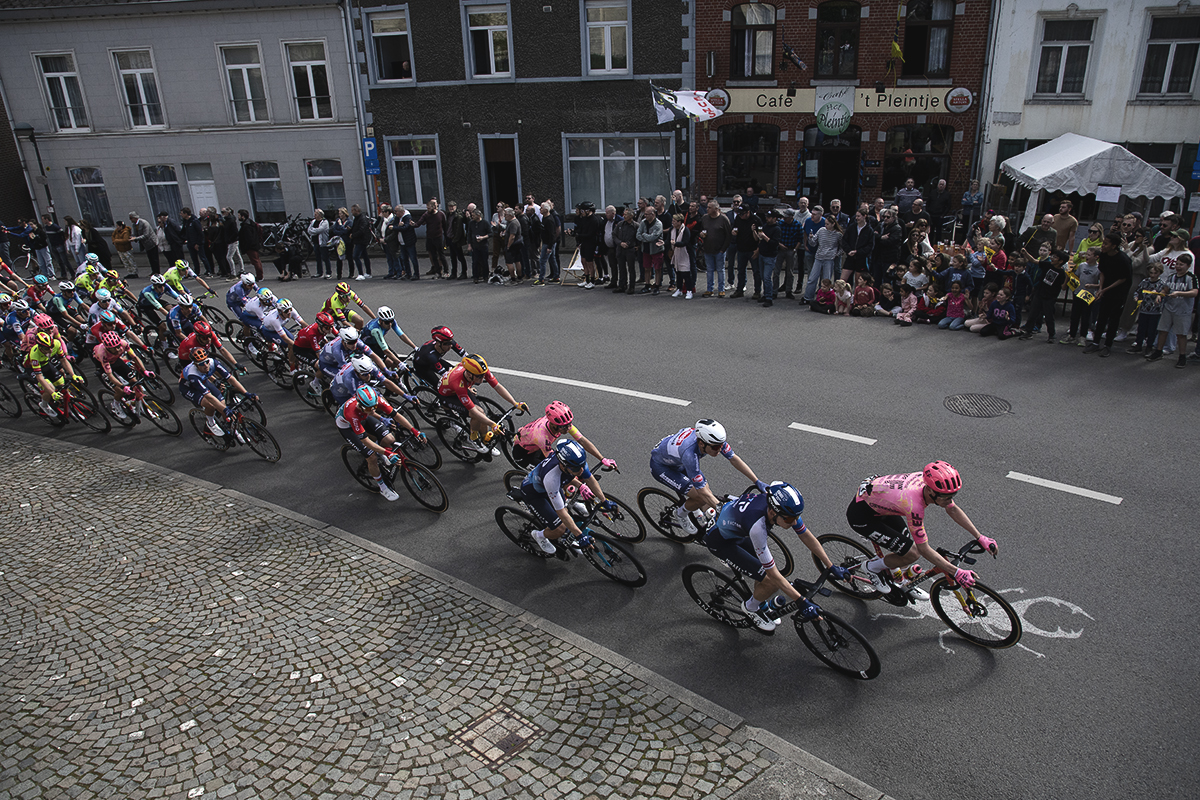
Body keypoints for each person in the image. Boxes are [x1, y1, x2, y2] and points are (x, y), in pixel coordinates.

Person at [703, 481, 847, 633]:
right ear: (772, 512)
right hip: (720, 542)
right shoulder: (758, 528)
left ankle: (759, 601)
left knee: (766, 574)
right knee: (771, 581)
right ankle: (751, 608)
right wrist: (802, 602)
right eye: (789, 519)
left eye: (796, 517)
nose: (793, 522)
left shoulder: (780, 509)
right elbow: (773, 576)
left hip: (737, 530)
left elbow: (806, 536)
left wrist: (831, 566)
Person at [846, 462, 996, 597]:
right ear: (931, 491)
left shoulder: (927, 483)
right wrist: (956, 572)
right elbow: (923, 549)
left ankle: (901, 582)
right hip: (862, 516)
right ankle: (871, 567)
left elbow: (953, 509)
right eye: (945, 497)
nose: (949, 500)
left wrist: (979, 536)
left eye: (952, 496)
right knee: (912, 553)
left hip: (880, 503)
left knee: (904, 546)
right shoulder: (914, 506)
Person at [650, 419, 766, 533]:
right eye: (716, 447)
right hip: (662, 467)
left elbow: (734, 459)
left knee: (707, 492)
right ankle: (680, 514)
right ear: (701, 443)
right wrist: (722, 509)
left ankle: (695, 510)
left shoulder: (712, 440)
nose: (720, 449)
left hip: (678, 460)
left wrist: (757, 481)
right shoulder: (690, 455)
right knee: (700, 497)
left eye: (721, 445)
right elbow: (702, 493)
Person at [518, 438, 619, 555]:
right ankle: (539, 535)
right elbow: (560, 512)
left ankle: (567, 537)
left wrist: (604, 501)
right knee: (559, 529)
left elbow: (589, 478)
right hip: (535, 494)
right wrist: (579, 536)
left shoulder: (575, 464)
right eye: (577, 468)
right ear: (563, 465)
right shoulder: (552, 478)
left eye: (583, 465)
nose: (581, 470)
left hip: (553, 488)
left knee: (567, 511)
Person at [335, 385, 424, 502]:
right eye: (369, 408)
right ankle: (382, 487)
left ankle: (381, 451)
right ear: (360, 405)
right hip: (348, 426)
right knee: (371, 457)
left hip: (363, 416)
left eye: (375, 407)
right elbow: (365, 440)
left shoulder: (374, 401)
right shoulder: (352, 413)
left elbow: (396, 415)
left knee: (389, 439)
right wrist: (387, 453)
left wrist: (414, 431)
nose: (373, 410)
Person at [436, 353, 527, 453]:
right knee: (477, 414)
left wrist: (515, 403)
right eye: (480, 377)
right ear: (469, 375)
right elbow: (473, 411)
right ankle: (473, 437)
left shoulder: (480, 371)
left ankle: (485, 440)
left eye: (483, 375)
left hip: (463, 386)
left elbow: (497, 386)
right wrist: (493, 424)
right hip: (448, 395)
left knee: (482, 414)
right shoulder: (459, 384)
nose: (483, 379)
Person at [511, 401, 618, 472]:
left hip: (536, 448)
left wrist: (602, 458)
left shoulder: (563, 424)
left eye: (569, 425)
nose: (568, 429)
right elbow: (555, 463)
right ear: (553, 424)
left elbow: (582, 440)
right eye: (563, 427)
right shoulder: (541, 437)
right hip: (523, 455)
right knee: (551, 476)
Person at [178, 347, 254, 437]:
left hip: (203, 381)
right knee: (212, 405)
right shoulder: (192, 374)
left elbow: (230, 378)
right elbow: (209, 397)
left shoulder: (213, 362)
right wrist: (224, 410)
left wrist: (246, 393)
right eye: (202, 364)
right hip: (188, 388)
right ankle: (210, 423)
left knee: (222, 404)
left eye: (206, 361)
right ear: (196, 365)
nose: (206, 365)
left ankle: (235, 432)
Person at [1083, 234, 1133, 357]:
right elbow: (1102, 272)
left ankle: (1107, 345)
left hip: (1119, 292)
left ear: (1114, 246)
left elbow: (1123, 279)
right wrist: (1100, 288)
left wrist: (1105, 289)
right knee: (1102, 317)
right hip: (1106, 289)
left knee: (1113, 319)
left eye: (1106, 244)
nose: (1103, 246)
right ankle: (1095, 343)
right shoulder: (1104, 256)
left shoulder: (1123, 259)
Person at [1145, 252, 1197, 368]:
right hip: (1169, 308)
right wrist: (1160, 295)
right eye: (1177, 264)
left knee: (1181, 334)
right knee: (1163, 330)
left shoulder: (1191, 277)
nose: (1178, 266)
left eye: (1181, 264)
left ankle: (1182, 356)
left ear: (1188, 266)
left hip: (1182, 310)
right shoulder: (1171, 277)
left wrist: (1179, 293)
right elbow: (1165, 289)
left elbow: (1194, 292)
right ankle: (1158, 351)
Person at [1018, 249, 1068, 342]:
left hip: (1050, 297)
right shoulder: (1048, 265)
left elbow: (1063, 288)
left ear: (1061, 261)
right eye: (1053, 256)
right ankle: (1028, 331)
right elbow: (1034, 260)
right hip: (1039, 293)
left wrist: (1067, 279)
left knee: (1049, 316)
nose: (1052, 258)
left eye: (1055, 257)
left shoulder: (1061, 273)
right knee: (1033, 313)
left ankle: (1051, 335)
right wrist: (1026, 253)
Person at [1127, 263, 1167, 355]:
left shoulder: (1161, 284)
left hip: (1155, 311)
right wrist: (1136, 297)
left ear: (1159, 273)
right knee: (1141, 328)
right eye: (1151, 273)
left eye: (1155, 273)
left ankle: (1149, 346)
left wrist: (1157, 295)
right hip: (1144, 309)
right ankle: (1138, 345)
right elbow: (1138, 291)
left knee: (1152, 330)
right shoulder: (1145, 281)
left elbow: (1164, 296)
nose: (1152, 275)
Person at [308, 210, 331, 279]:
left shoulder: (324, 222)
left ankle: (328, 272)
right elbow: (309, 230)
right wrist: (314, 231)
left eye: (316, 214)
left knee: (325, 257)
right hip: (315, 242)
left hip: (322, 242)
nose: (315, 215)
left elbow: (320, 230)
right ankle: (319, 272)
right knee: (318, 258)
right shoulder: (313, 221)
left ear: (320, 215)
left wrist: (313, 231)